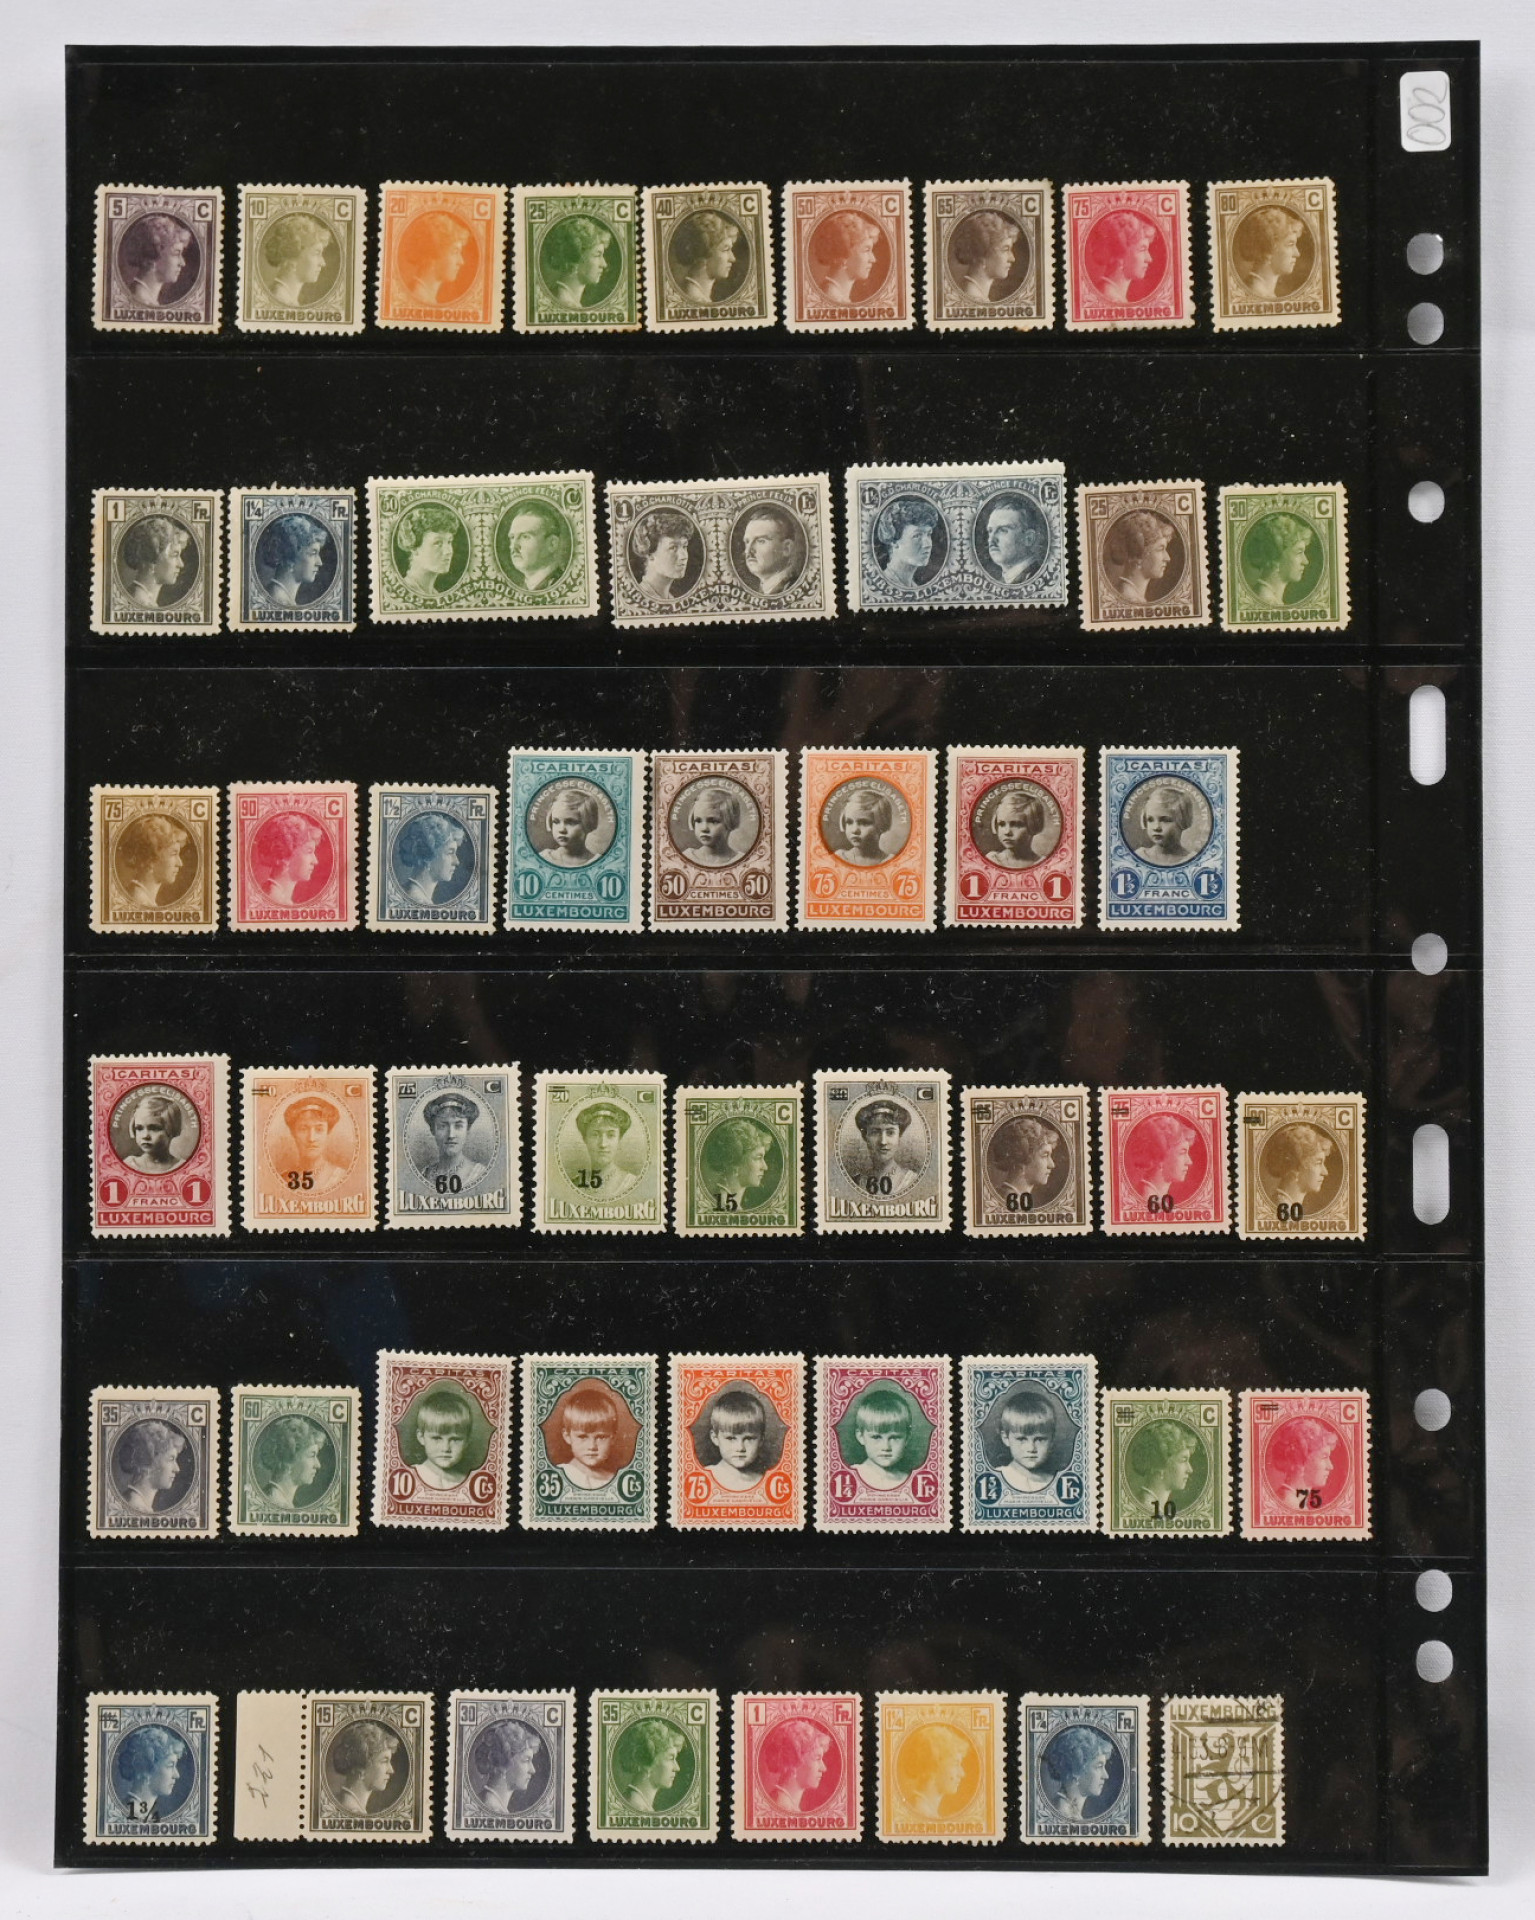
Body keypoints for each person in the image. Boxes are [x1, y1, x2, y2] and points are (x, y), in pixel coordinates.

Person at [114, 813, 192, 910]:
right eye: (173, 854)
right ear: (151, 859)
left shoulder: (140, 898)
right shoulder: (141, 902)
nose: (180, 863)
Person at [392, 811, 469, 908]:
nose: (456, 862)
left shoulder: (408, 892)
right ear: (428, 856)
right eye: (450, 852)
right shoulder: (419, 901)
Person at [278, 1093, 350, 1195]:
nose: (311, 1138)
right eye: (303, 1129)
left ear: (327, 1132)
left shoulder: (340, 1177)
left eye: (319, 1129)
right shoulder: (283, 1179)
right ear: (293, 1133)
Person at [697, 1388, 768, 1491]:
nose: (740, 1448)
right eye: (731, 1438)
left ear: (761, 1439)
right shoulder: (704, 1478)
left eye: (748, 1438)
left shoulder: (765, 1482)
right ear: (715, 1438)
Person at [989, 1390, 1059, 1494]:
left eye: (1039, 1439)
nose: (1031, 1448)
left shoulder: (1057, 1483)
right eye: (1021, 1439)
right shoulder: (995, 1478)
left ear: (1052, 1439)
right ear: (1006, 1438)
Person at [846, 1387, 914, 1491]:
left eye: (894, 1437)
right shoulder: (849, 1477)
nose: (886, 1447)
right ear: (860, 1436)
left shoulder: (912, 1481)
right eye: (876, 1437)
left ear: (907, 1437)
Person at [1243, 512, 1315, 609]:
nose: (1305, 561)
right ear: (1276, 558)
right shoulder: (1267, 601)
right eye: (1299, 552)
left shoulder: (1271, 599)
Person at [1040, 1725, 1114, 1820]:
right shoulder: (1064, 1813)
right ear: (1076, 1770)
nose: (1106, 1775)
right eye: (1099, 1766)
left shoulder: (1070, 1812)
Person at [541, 214, 613, 312]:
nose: (604, 264)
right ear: (576, 258)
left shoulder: (564, 299)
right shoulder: (566, 304)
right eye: (597, 255)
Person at [252, 1414, 326, 1509]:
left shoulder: (280, 1500)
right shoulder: (276, 1502)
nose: (318, 1465)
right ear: (290, 1458)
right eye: (312, 1455)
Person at [328, 1720, 400, 1816]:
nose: (391, 1770)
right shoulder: (353, 1811)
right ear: (361, 1766)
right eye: (384, 1761)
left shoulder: (341, 1804)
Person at [251, 810, 324, 906]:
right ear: (286, 855)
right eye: (309, 851)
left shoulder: (277, 897)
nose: (315, 861)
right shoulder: (274, 899)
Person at [113, 1419, 186, 1516]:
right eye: (171, 1459)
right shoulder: (137, 1508)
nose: (177, 1469)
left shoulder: (136, 1503)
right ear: (149, 1461)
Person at [555, 1386, 622, 1490]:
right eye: (582, 1437)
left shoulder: (615, 1480)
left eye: (601, 1437)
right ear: (567, 1436)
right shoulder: (560, 1475)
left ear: (613, 1438)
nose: (592, 1446)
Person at [759, 1718, 831, 1814]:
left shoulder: (786, 1804)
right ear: (796, 1761)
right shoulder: (783, 1806)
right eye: (817, 1758)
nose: (824, 1768)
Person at [260, 211, 331, 307]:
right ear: (293, 258)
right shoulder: (280, 299)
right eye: (316, 253)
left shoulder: (288, 298)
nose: (323, 263)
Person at [809, 209, 881, 305]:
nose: (873, 259)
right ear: (843, 255)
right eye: (866, 250)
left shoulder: (838, 295)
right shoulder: (832, 297)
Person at [700, 1116, 773, 1210]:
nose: (765, 1167)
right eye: (758, 1158)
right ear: (736, 1162)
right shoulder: (724, 1205)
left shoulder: (728, 1204)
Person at [397, 210, 470, 305]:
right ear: (433, 254)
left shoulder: (428, 298)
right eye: (455, 252)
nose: (461, 261)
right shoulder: (419, 298)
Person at [419, 1089, 489, 1188]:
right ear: (433, 1130)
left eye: (458, 1126)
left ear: (467, 1130)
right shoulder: (424, 1174)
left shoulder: (480, 1173)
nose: (451, 1135)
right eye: (443, 1126)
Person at [1102, 510, 1175, 605]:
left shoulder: (1132, 596)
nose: (1167, 558)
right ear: (1138, 554)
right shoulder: (1130, 598)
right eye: (1160, 549)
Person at [899, 1723, 970, 1820]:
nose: (962, 1774)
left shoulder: (927, 1811)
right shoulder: (922, 1812)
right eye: (955, 1763)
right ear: (933, 1766)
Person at [1232, 205, 1305, 299]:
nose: (1297, 253)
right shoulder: (1257, 292)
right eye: (1290, 244)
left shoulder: (1265, 293)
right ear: (1268, 249)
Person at [1123, 1112, 1197, 1204]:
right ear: (1161, 1157)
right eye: (1182, 1152)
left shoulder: (1158, 1197)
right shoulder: (1146, 1198)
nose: (1189, 1162)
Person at [257, 513, 328, 608]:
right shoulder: (279, 599)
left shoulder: (281, 597)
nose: (320, 563)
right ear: (291, 556)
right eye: (313, 553)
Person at [614, 1718, 685, 1813]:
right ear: (647, 1762)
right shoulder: (638, 1807)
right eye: (671, 1758)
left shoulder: (636, 1802)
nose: (677, 1768)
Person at [851, 1097, 919, 1197]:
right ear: (865, 1136)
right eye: (875, 1132)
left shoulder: (913, 1181)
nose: (883, 1142)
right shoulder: (855, 1182)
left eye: (890, 1132)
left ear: (899, 1136)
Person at [1267, 1415, 1339, 1508]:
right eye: (1324, 1457)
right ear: (1301, 1460)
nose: (1330, 1466)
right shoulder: (1290, 1503)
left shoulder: (1296, 1501)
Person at [988, 1114, 1059, 1208]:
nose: (1052, 1165)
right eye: (1045, 1155)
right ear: (1022, 1160)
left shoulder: (1015, 1198)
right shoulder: (1009, 1202)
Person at [118, 515, 190, 608]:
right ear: (152, 558)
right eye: (174, 555)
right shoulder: (142, 603)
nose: (181, 564)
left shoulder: (139, 598)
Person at [1085, 210, 1156, 303]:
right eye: (1142, 249)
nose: (1149, 259)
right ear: (1121, 255)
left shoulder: (1109, 293)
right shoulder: (1112, 299)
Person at [120, 214, 192, 306]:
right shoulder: (141, 300)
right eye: (176, 253)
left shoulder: (148, 299)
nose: (182, 263)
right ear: (153, 254)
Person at [671, 209, 740, 304]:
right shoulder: (696, 299)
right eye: (725, 249)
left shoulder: (699, 297)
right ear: (704, 252)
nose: (733, 258)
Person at [475, 1719, 542, 1815]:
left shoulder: (490, 1803)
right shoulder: (493, 1809)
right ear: (503, 1763)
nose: (533, 1770)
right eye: (526, 1760)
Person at [411, 1388, 474, 1490]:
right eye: (437, 1438)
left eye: (455, 1440)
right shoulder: (410, 1476)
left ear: (467, 1440)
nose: (445, 1448)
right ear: (421, 1437)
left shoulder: (469, 1483)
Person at [1264, 1123, 1334, 1214]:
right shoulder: (1283, 1210)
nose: (1325, 1172)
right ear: (1296, 1167)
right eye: (1318, 1163)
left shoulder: (1289, 1206)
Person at [572, 1099, 637, 1198]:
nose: (603, 1144)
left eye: (610, 1135)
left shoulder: (631, 1183)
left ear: (619, 1139)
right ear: (585, 1139)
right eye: (595, 1135)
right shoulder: (574, 1184)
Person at [1126, 1418, 1197, 1508]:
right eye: (1183, 1460)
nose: (1190, 1470)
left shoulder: (1156, 1506)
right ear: (1161, 1464)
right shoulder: (1147, 1507)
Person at [114, 1724, 186, 1813]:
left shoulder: (144, 1812)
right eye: (170, 1765)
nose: (177, 1775)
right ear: (146, 1769)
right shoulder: (131, 1812)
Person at [950, 209, 1018, 302]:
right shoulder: (973, 297)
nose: (1012, 258)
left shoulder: (978, 296)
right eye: (1005, 249)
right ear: (983, 255)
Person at [876, 497, 940, 590]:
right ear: (894, 542)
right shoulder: (884, 585)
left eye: (929, 534)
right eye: (917, 536)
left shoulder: (913, 587)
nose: (928, 544)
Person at [631, 509, 695, 602]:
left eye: (684, 546)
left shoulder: (670, 599)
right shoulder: (638, 600)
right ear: (650, 554)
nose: (683, 556)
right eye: (673, 547)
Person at [504, 500, 568, 592]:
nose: (514, 546)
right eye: (512, 537)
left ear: (552, 544)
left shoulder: (564, 586)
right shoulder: (523, 588)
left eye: (525, 537)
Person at [395, 504, 460, 596]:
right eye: (437, 543)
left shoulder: (433, 593)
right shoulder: (405, 592)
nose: (448, 551)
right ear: (414, 548)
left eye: (449, 542)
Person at [123, 1091, 192, 1174]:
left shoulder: (183, 1166)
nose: (145, 1136)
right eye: (139, 1128)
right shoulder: (129, 1164)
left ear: (172, 1130)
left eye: (154, 1128)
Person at [982, 496, 1046, 585]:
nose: (991, 539)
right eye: (990, 531)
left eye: (1003, 530)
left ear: (1028, 538)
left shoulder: (1040, 578)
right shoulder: (1003, 581)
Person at [739, 506, 802, 597]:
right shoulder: (762, 590)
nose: (748, 550)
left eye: (761, 541)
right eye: (747, 542)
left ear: (786, 548)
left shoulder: (796, 588)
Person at [1130, 785, 1195, 865]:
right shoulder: (1140, 855)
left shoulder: (1191, 859)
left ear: (1183, 822)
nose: (1156, 827)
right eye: (1150, 820)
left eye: (1165, 820)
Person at [985, 788, 1051, 867]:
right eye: (1002, 824)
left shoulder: (1044, 863)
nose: (1007, 832)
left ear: (1033, 826)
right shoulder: (992, 860)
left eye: (1016, 825)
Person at [539, 787, 601, 866]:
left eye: (571, 823)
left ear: (588, 824)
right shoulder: (544, 858)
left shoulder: (598, 861)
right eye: (556, 822)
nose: (562, 830)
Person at [682, 786, 743, 866]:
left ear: (730, 822)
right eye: (698, 821)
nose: (704, 828)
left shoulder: (741, 860)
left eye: (713, 821)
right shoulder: (687, 857)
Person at [834, 786, 895, 866]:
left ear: (882, 825)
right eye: (849, 822)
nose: (854, 830)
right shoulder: (839, 857)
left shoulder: (891, 861)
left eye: (864, 823)